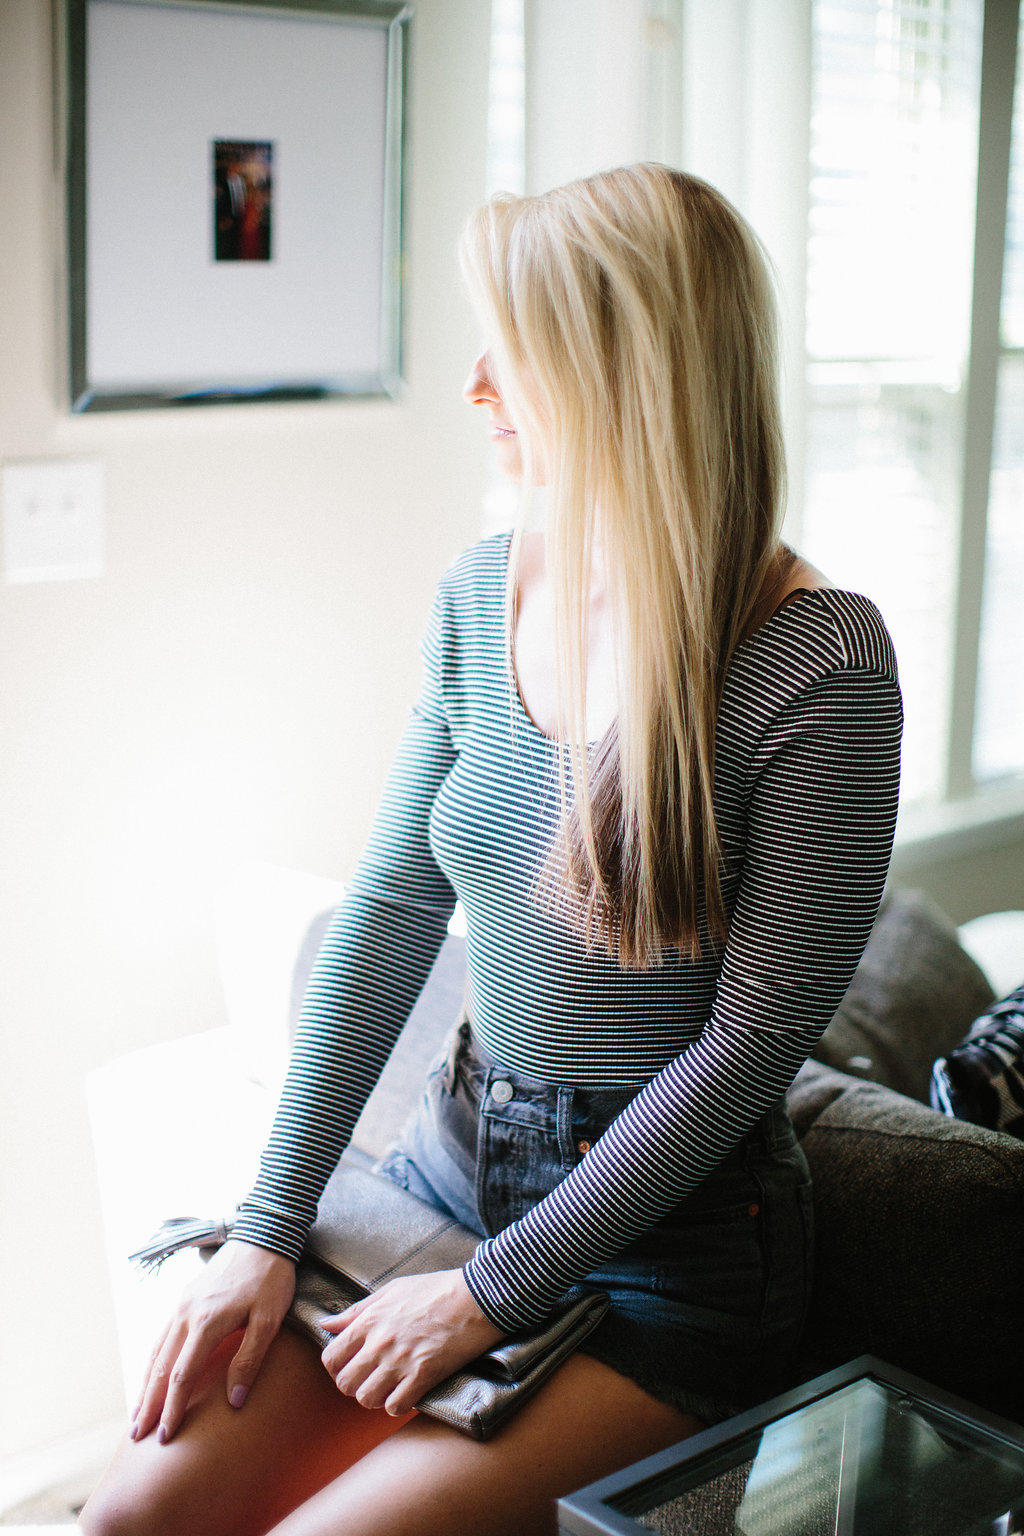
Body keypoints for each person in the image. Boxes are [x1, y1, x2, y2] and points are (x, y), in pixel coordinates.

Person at [81, 163, 902, 1536]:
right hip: (450, 1157)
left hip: (670, 1250)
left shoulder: (819, 658)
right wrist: (269, 1225)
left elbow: (752, 1046)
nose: (474, 386)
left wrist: (482, 1296)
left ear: (622, 375)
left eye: (510, 352)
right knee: (126, 1520)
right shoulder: (480, 590)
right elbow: (391, 907)